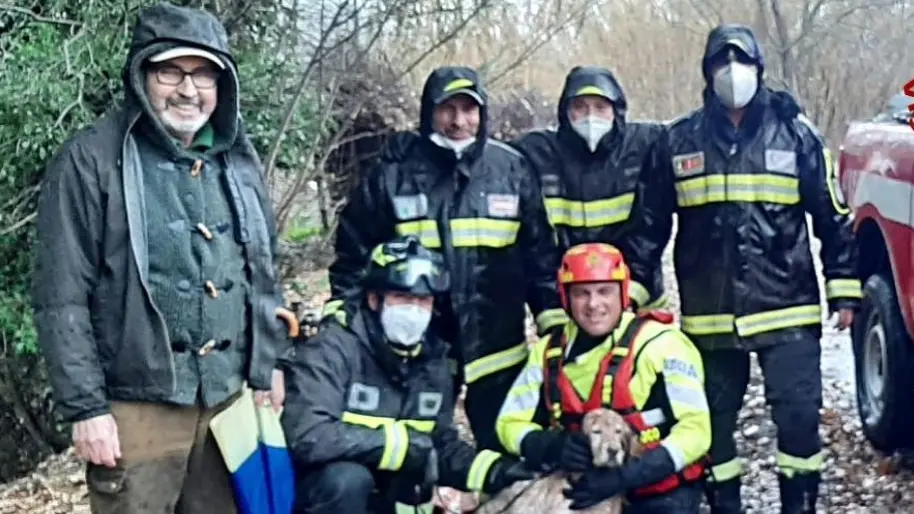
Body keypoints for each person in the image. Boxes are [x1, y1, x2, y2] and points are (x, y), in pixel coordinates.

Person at [30, 3, 290, 514]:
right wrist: (86, 409)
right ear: (141, 74)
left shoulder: (238, 158)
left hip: (228, 404)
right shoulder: (89, 160)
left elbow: (261, 268)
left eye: (204, 75)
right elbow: (60, 296)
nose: (188, 90)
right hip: (136, 408)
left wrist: (270, 362)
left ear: (224, 85)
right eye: (170, 71)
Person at [644, 24, 860, 514]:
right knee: (711, 425)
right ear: (707, 73)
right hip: (709, 318)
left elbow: (833, 216)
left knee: (800, 419)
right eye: (722, 61)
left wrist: (844, 290)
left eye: (742, 60)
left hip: (787, 309)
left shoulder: (797, 134)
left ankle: (798, 505)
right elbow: (648, 226)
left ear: (760, 70)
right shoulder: (678, 141)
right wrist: (643, 298)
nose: (732, 71)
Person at [324, 66, 563, 454]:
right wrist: (349, 323)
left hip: (497, 344)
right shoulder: (393, 173)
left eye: (469, 110)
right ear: (427, 113)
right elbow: (354, 255)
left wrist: (552, 319)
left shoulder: (511, 169)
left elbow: (540, 256)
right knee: (417, 452)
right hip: (418, 347)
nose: (458, 122)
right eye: (447, 109)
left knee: (504, 448)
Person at [281, 236, 536, 513]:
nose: (413, 311)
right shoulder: (332, 350)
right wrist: (400, 444)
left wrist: (495, 471)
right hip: (326, 495)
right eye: (402, 297)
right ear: (374, 299)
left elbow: (438, 444)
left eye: (422, 301)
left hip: (394, 495)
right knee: (348, 480)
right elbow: (308, 435)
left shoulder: (433, 360)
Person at [495, 243, 712, 513]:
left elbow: (697, 432)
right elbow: (508, 423)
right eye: (581, 293)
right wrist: (551, 445)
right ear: (566, 298)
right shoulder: (548, 352)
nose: (593, 304)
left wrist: (627, 475)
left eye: (604, 291)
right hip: (583, 490)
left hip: (654, 490)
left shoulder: (664, 344)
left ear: (622, 294)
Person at [509, 66, 671, 321]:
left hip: (638, 296)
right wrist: (552, 304)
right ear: (565, 111)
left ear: (616, 111)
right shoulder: (538, 153)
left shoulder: (645, 144)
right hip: (568, 300)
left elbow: (651, 229)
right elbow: (536, 243)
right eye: (580, 107)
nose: (590, 116)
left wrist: (626, 293)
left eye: (600, 107)